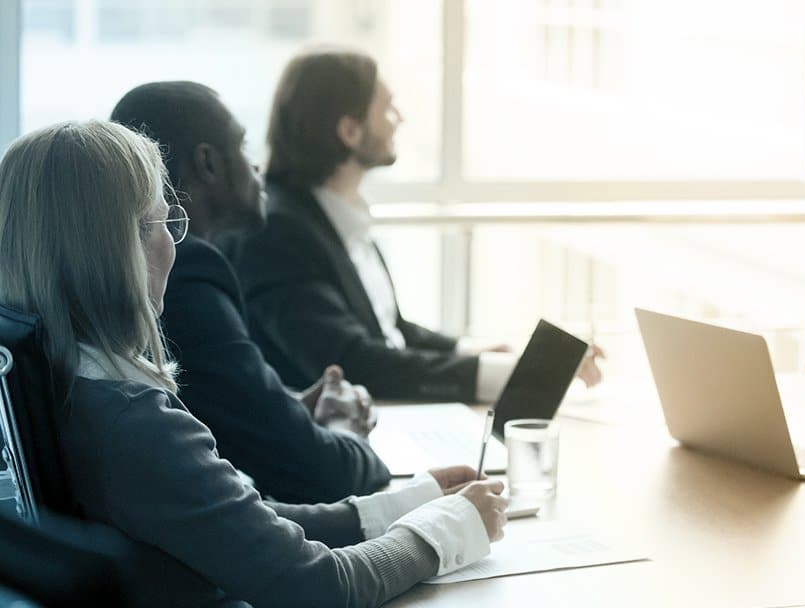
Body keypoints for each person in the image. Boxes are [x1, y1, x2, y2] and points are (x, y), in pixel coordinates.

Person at [0, 120, 507, 606]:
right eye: (165, 223)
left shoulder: (47, 381)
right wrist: (449, 529)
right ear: (122, 249)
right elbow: (320, 588)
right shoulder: (135, 424)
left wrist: (406, 503)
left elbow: (245, 525)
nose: (174, 249)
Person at [225, 47, 605, 402]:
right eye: (388, 108)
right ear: (349, 130)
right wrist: (530, 373)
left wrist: (474, 351)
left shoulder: (335, 215)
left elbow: (392, 331)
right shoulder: (279, 232)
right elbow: (354, 364)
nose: (400, 119)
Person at [110, 81, 390, 504]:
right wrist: (347, 430)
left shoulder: (173, 266)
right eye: (242, 146)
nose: (258, 166)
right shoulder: (186, 277)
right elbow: (321, 476)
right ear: (208, 163)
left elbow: (212, 406)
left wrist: (287, 408)